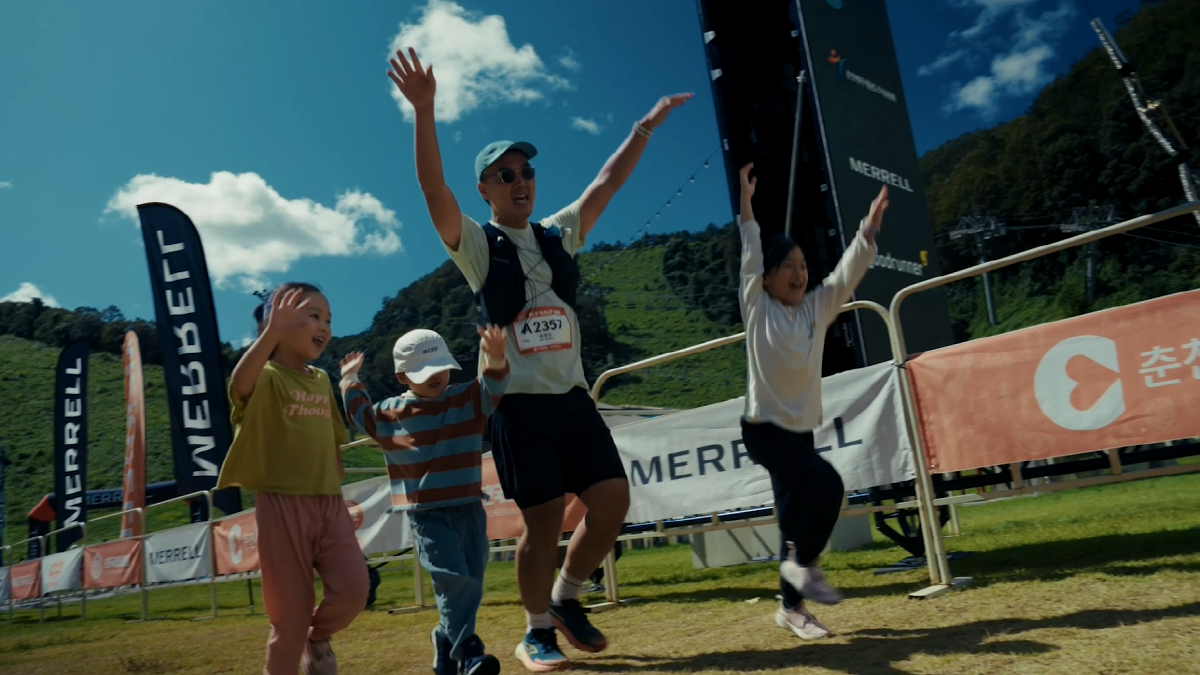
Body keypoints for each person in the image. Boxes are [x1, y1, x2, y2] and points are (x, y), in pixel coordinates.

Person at [387, 46, 691, 671]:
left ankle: (566, 598)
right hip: (517, 407)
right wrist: (424, 110)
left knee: (612, 503)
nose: (520, 181)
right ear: (485, 191)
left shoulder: (559, 233)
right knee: (544, 522)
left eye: (525, 171)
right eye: (505, 175)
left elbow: (607, 183)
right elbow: (432, 189)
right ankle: (536, 633)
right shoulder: (478, 245)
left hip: (572, 399)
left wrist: (644, 127)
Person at [736, 163, 888, 639]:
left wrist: (868, 231)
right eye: (788, 266)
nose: (799, 273)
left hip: (800, 432)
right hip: (764, 430)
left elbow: (845, 275)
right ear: (766, 277)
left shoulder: (815, 310)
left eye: (803, 266)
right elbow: (750, 247)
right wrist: (746, 203)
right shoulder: (757, 306)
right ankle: (804, 565)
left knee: (793, 521)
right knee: (827, 486)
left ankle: (792, 609)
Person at [216, 282, 369, 675]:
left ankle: (316, 636)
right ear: (277, 325)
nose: (325, 327)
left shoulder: (320, 380)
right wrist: (271, 333)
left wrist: (337, 488)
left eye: (328, 319)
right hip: (281, 507)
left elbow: (333, 438)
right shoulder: (266, 375)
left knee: (354, 591)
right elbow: (240, 384)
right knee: (288, 619)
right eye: (314, 316)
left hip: (329, 504)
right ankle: (295, 641)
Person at [339, 326, 510, 675]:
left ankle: (445, 639)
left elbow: (494, 386)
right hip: (427, 515)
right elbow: (360, 413)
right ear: (402, 377)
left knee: (471, 581)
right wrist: (349, 379)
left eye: (441, 368)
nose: (436, 376)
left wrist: (494, 357)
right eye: (424, 372)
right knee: (453, 580)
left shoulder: (467, 398)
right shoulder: (391, 413)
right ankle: (469, 653)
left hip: (469, 507)